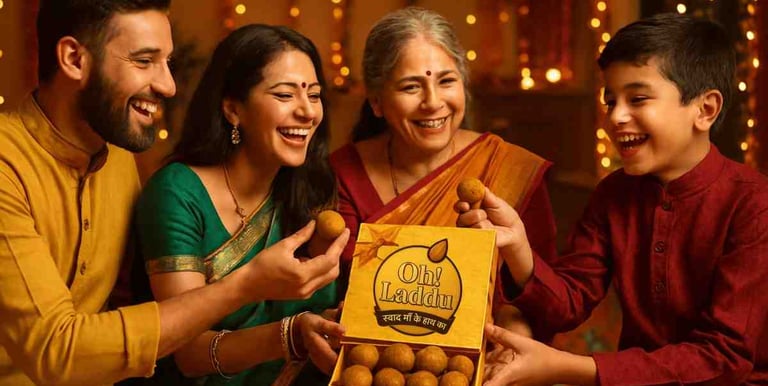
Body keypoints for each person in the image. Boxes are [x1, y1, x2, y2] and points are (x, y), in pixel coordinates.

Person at [0, 2, 346, 385]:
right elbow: (55, 352)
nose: (168, 85)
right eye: (144, 61)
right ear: (73, 59)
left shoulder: (117, 159)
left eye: (167, 62)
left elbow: (123, 304)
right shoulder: (7, 166)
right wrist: (248, 286)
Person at [457, 13, 768, 385]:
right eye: (610, 101)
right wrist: (517, 244)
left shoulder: (755, 204)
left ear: (705, 110)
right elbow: (567, 305)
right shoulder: (613, 194)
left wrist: (570, 368)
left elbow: (725, 358)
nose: (616, 116)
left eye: (637, 98)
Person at [133, 24, 344, 386]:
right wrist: (290, 334)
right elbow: (186, 353)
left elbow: (315, 316)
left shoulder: (309, 189)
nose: (308, 112)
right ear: (233, 109)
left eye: (314, 94)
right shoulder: (177, 193)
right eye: (284, 95)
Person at [330, 7, 556, 335]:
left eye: (447, 81)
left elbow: (544, 299)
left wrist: (508, 339)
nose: (433, 102)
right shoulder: (344, 173)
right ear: (377, 102)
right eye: (411, 87)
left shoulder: (509, 167)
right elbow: (341, 294)